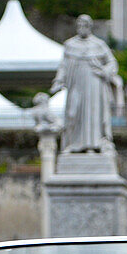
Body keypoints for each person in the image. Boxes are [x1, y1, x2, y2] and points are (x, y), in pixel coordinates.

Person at [51, 14, 119, 152]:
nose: (82, 28)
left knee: (93, 114)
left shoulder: (98, 44)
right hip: (75, 84)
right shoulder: (70, 44)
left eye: (85, 25)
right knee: (73, 113)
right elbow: (63, 65)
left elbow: (112, 62)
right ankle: (72, 144)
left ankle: (92, 145)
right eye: (80, 25)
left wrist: (104, 70)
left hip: (94, 84)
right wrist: (58, 80)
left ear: (90, 27)